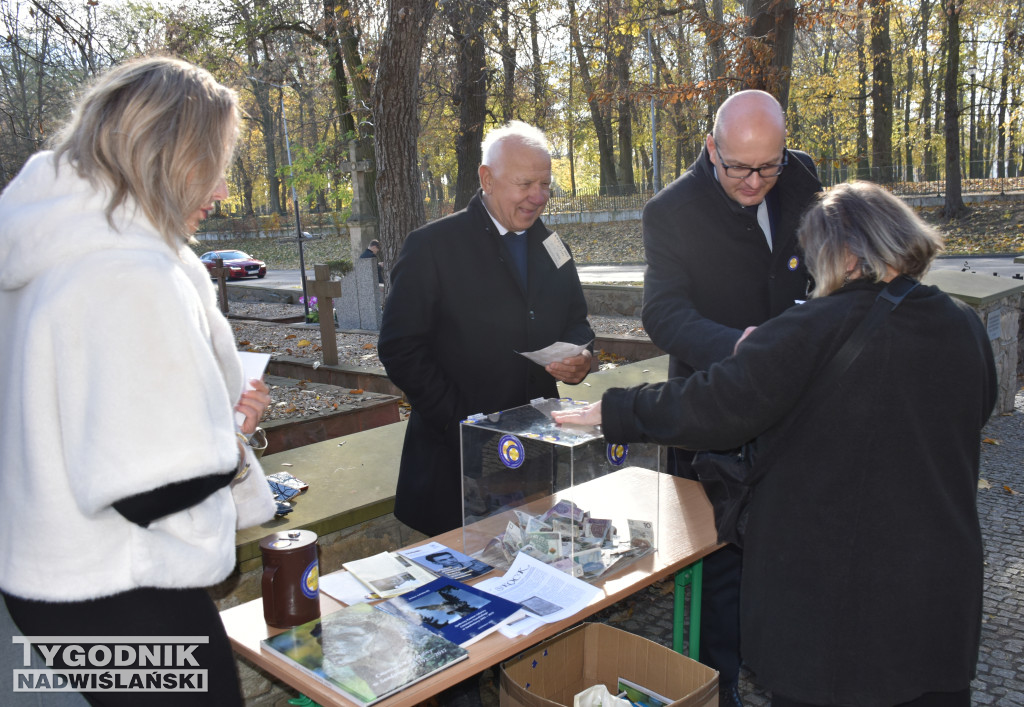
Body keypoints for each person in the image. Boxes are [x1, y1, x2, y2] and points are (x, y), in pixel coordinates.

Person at [552, 181, 997, 707]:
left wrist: (615, 411)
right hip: (937, 586)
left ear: (845, 253)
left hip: (836, 600)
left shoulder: (813, 326)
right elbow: (973, 413)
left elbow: (716, 404)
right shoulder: (962, 323)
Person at [0, 57, 276, 706]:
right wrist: (234, 441)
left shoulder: (50, 243)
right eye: (216, 163)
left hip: (58, 575)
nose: (222, 189)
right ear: (175, 158)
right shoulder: (126, 271)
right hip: (123, 586)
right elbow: (154, 482)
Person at [640, 89, 822, 704]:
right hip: (717, 411)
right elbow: (663, 313)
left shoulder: (801, 177)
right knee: (722, 567)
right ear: (711, 148)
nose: (755, 181)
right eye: (739, 167)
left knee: (792, 552)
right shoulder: (671, 211)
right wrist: (735, 345)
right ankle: (719, 689)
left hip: (795, 407)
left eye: (768, 166)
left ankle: (786, 671)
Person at [378, 120, 594, 538]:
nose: (538, 197)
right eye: (525, 184)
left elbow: (577, 321)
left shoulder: (554, 247)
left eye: (545, 185)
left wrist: (582, 358)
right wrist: (461, 421)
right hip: (455, 462)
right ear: (487, 179)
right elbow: (400, 347)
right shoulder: (433, 247)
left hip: (535, 457)